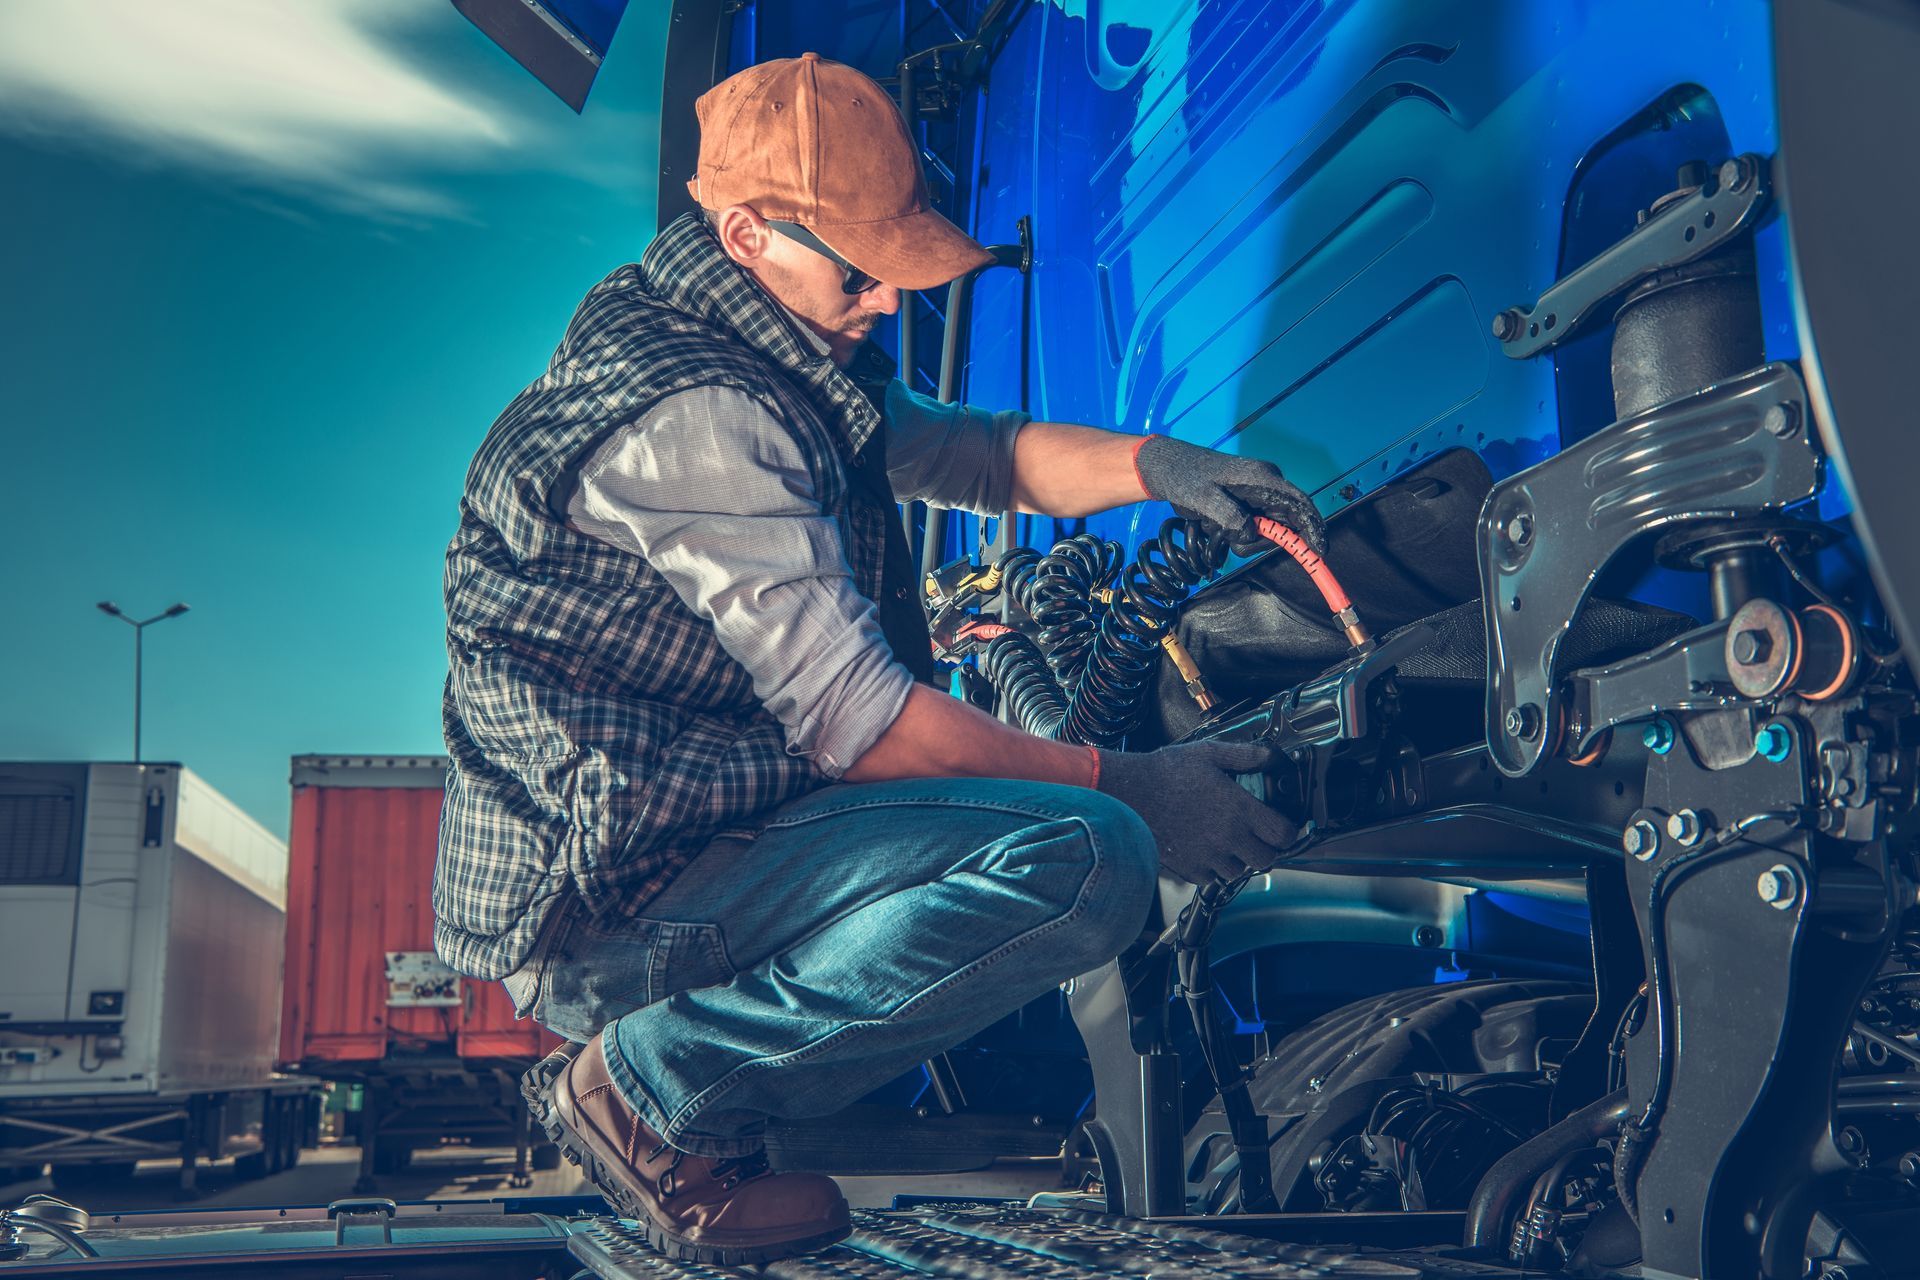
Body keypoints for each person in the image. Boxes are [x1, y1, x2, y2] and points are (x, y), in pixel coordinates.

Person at [433, 52, 1325, 1265]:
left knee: (1064, 823)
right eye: (865, 269)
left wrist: (1159, 464)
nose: (889, 299)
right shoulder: (698, 412)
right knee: (1080, 856)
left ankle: (687, 1090)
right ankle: (653, 1089)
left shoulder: (761, 347)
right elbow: (872, 729)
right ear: (747, 234)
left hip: (675, 845)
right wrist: (1138, 787)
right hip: (617, 910)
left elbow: (974, 453)